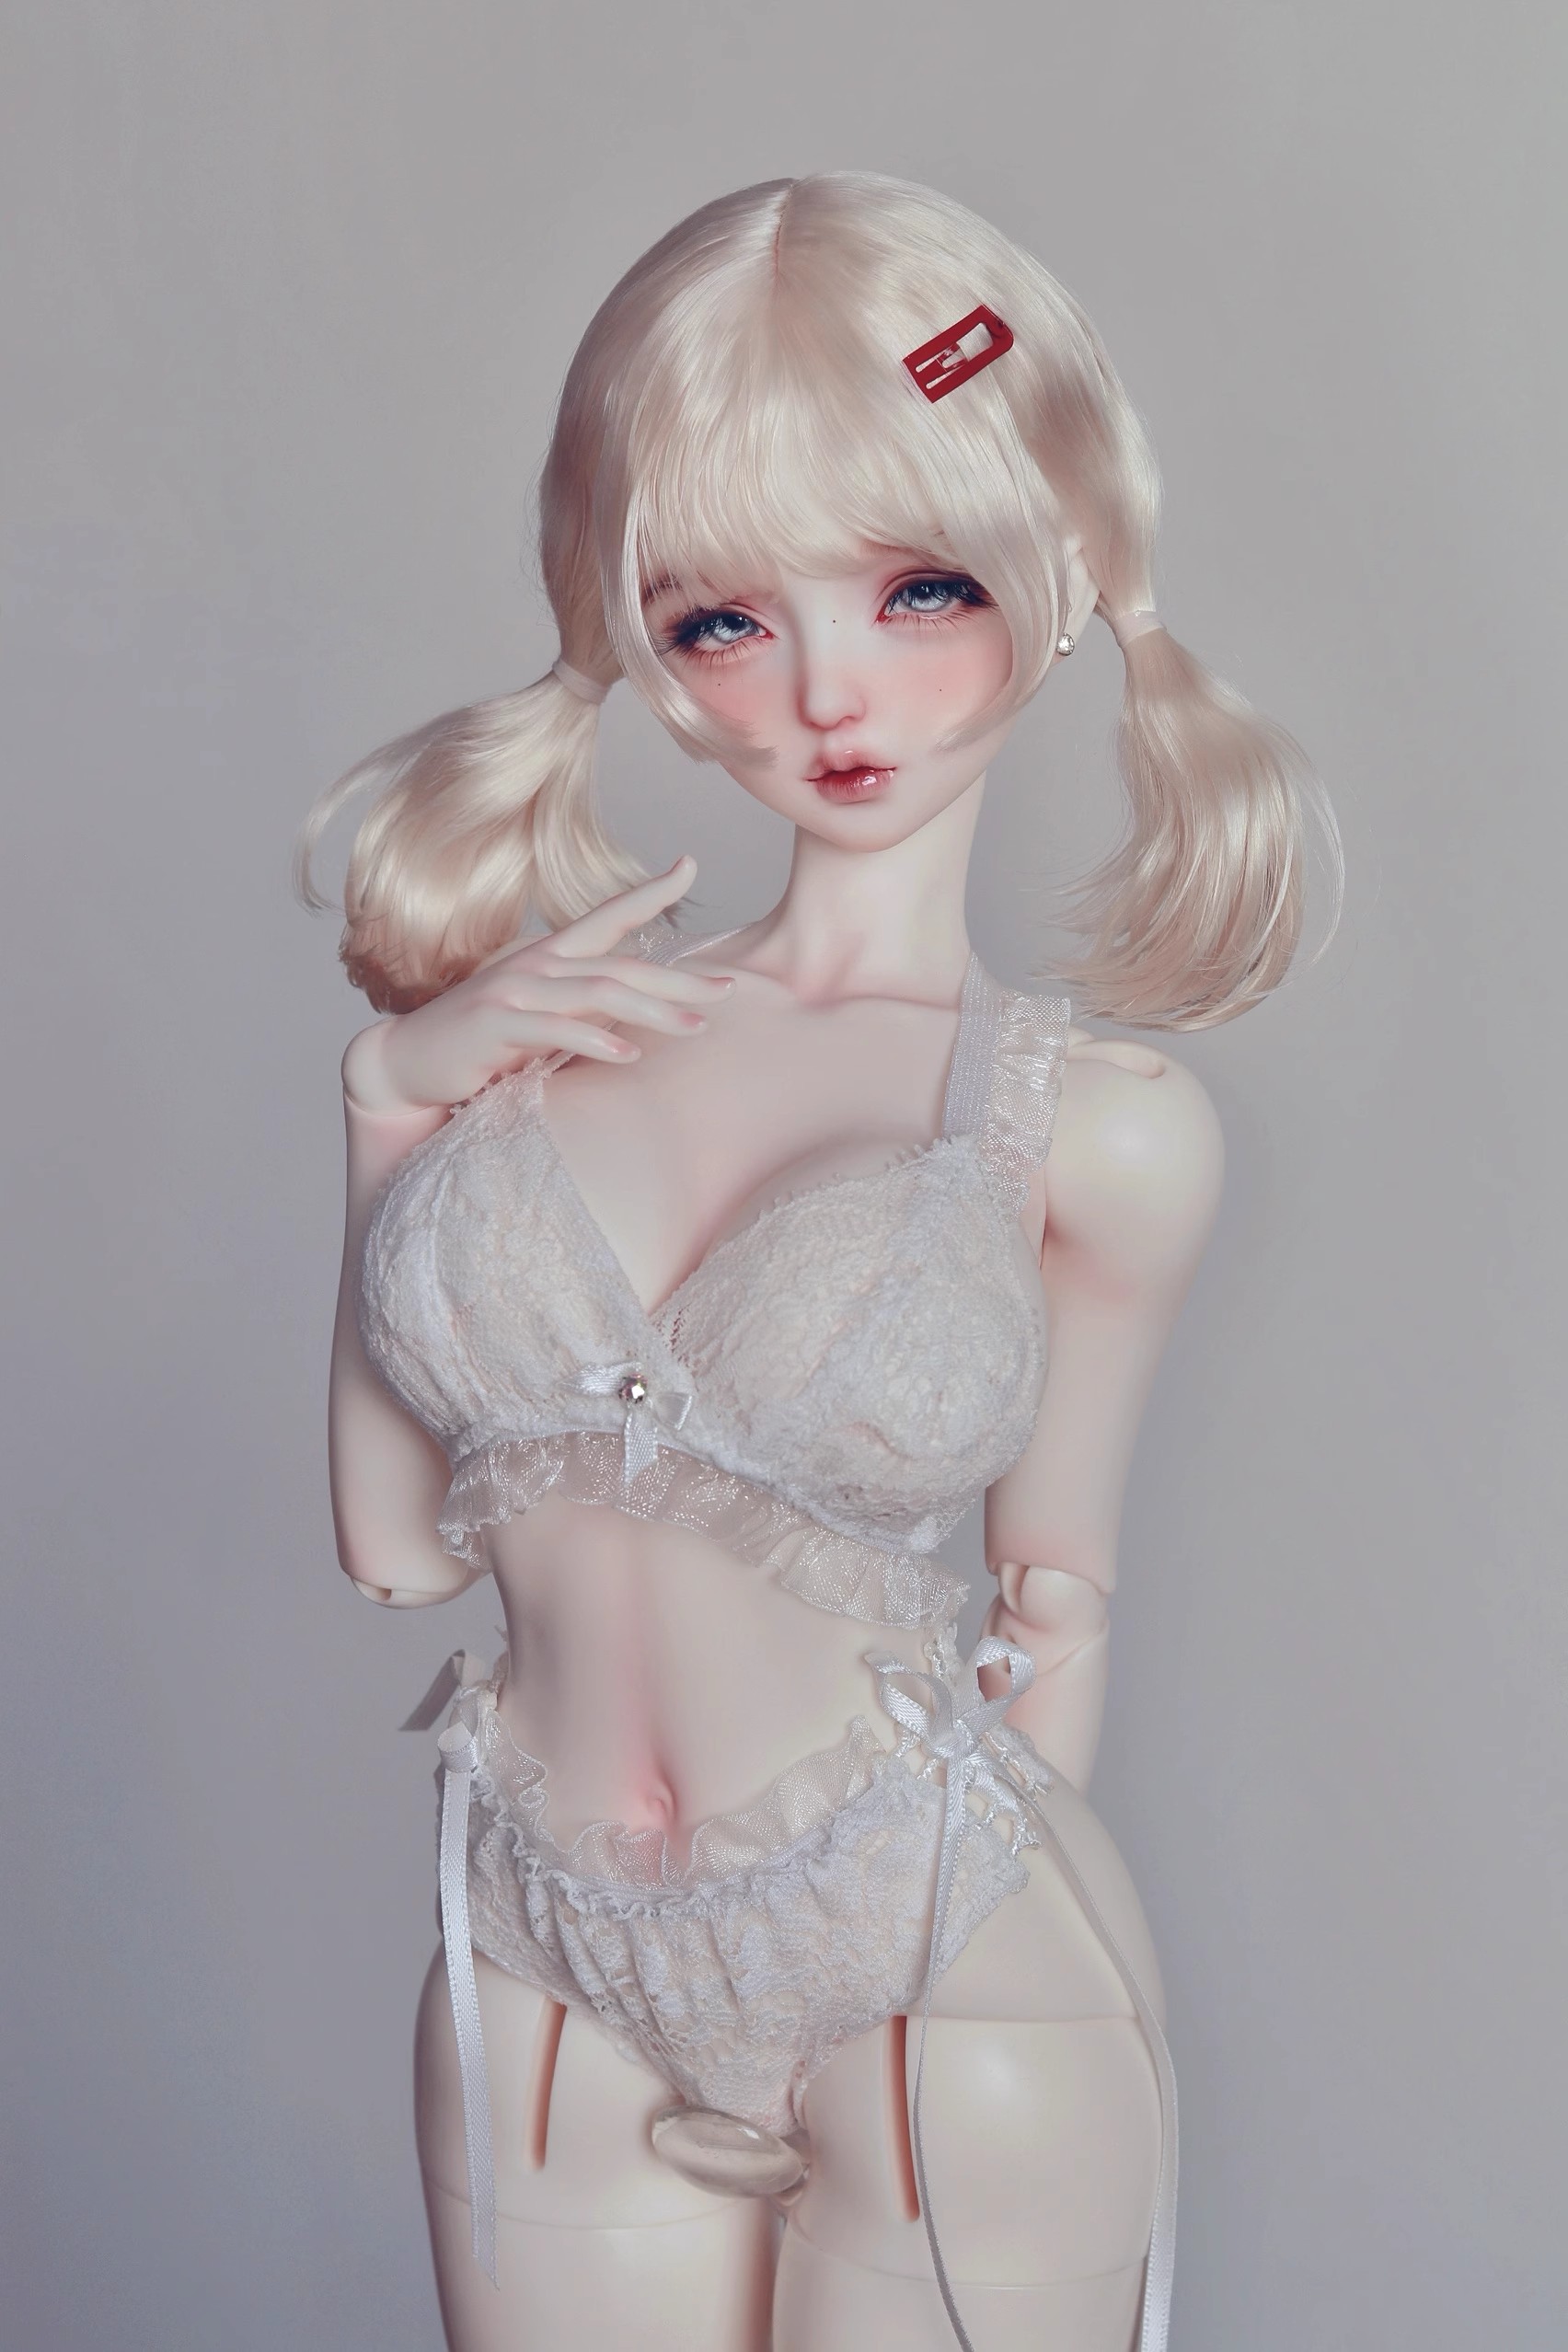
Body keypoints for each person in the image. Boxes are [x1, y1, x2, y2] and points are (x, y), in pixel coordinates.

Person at [295, 169, 1338, 2352]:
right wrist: (388, 1105)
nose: (829, 690)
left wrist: (914, 1949)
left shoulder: (1098, 1129)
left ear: (1065, 577)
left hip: (945, 1967)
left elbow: (1057, 1595)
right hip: (541, 1955)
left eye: (920, 587)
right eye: (721, 622)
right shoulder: (542, 1050)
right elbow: (392, 1556)